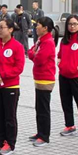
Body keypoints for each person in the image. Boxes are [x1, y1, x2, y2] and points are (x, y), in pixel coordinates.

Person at [0, 18, 25, 155]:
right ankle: (0, 141)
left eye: (2, 27)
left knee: (9, 116)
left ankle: (10, 143)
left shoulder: (17, 46)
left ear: (11, 29)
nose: (0, 30)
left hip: (10, 87)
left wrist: (3, 75)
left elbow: (19, 68)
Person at [57, 14, 78, 139]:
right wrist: (60, 63)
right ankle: (70, 125)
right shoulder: (64, 41)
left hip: (77, 77)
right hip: (64, 76)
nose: (72, 26)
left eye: (75, 24)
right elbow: (59, 55)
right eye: (70, 24)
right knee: (66, 102)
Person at [28, 16, 57, 147]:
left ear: (45, 28)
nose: (36, 27)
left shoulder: (48, 42)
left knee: (44, 109)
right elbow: (30, 52)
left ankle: (44, 136)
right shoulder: (41, 40)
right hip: (39, 78)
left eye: (38, 25)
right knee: (39, 108)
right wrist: (33, 53)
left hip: (46, 79)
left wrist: (34, 54)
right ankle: (40, 132)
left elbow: (40, 59)